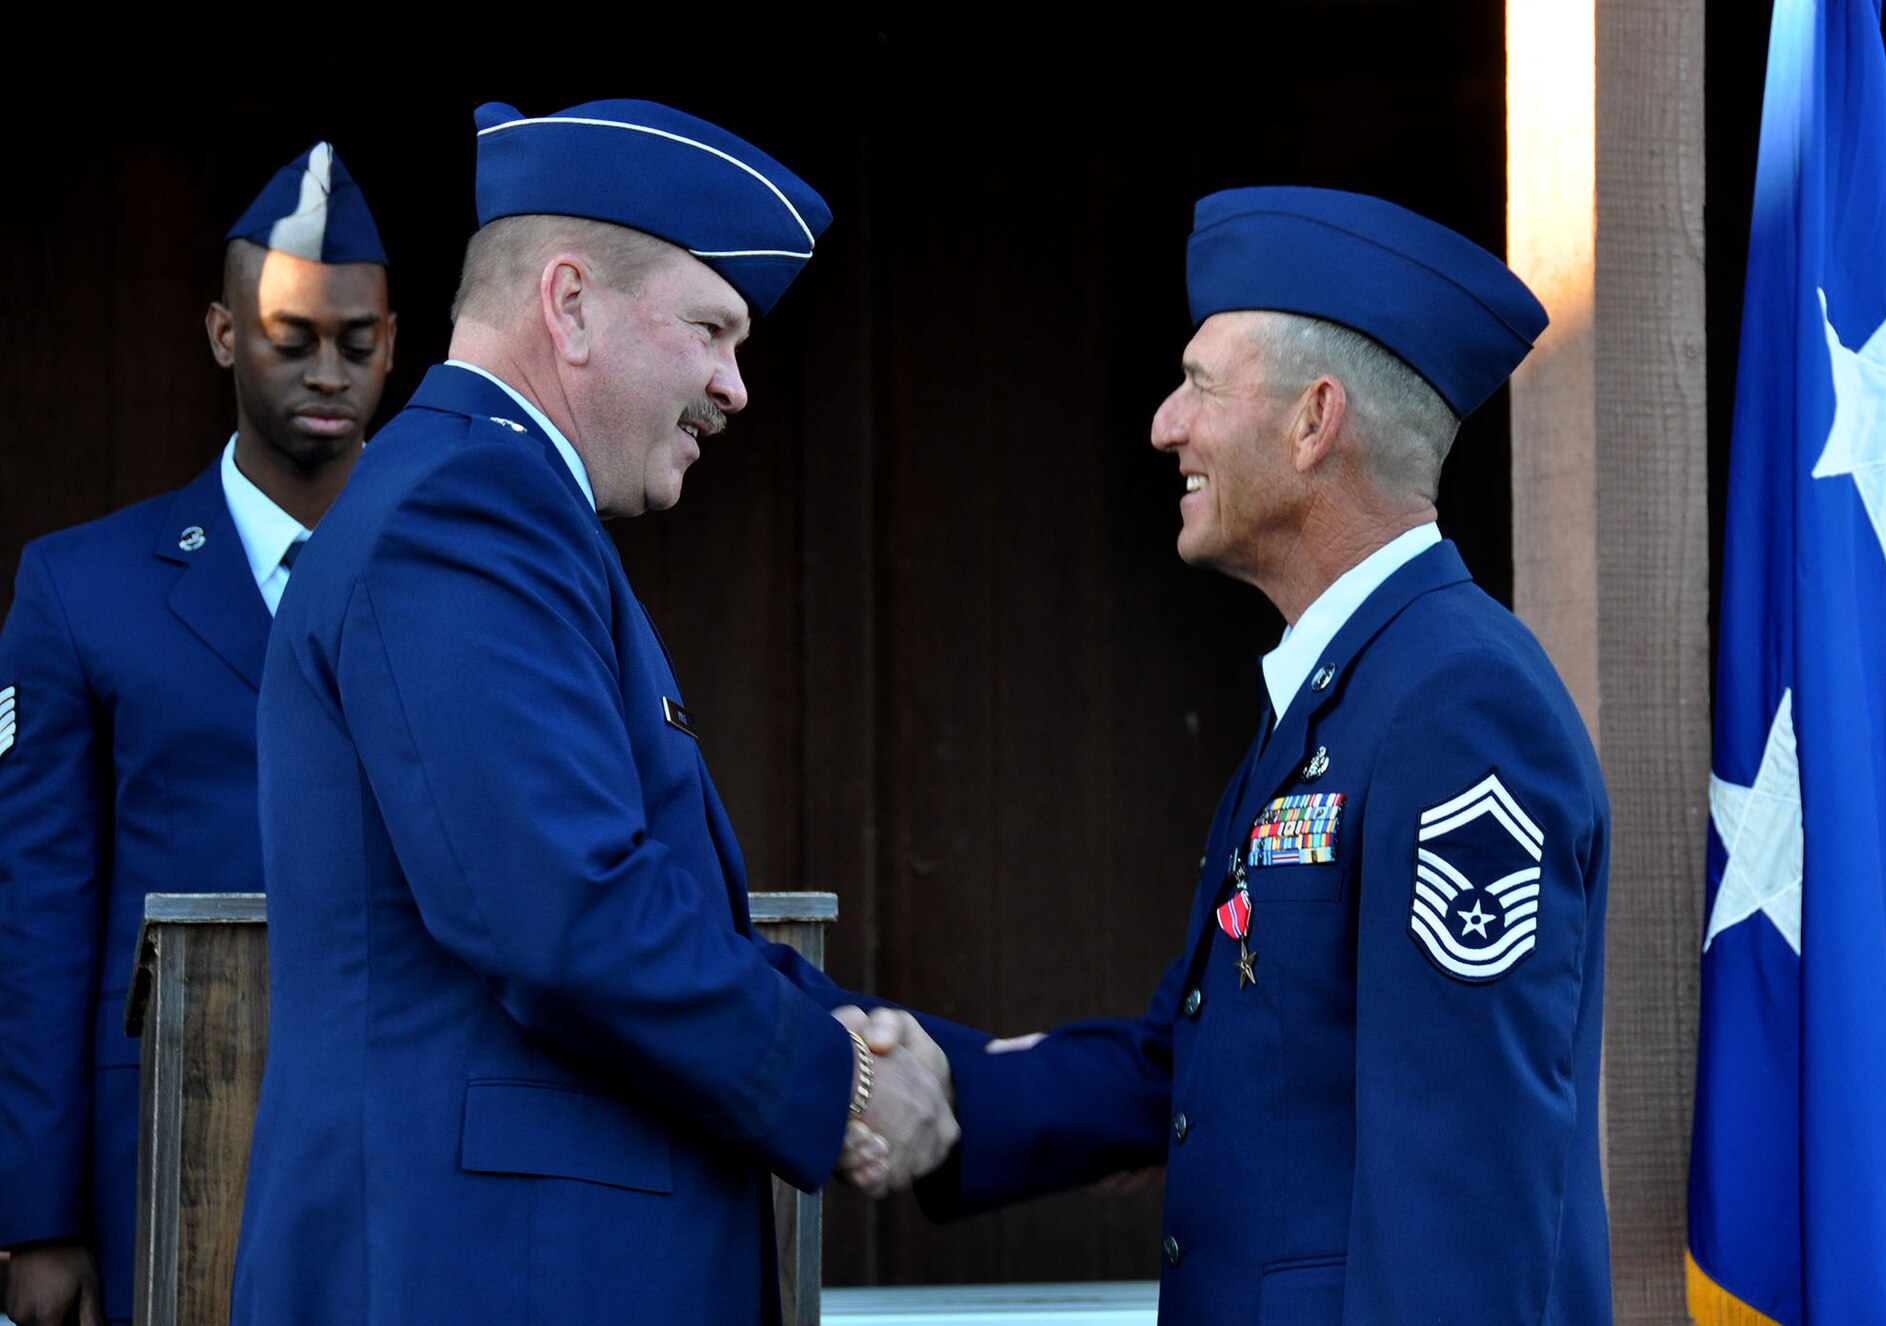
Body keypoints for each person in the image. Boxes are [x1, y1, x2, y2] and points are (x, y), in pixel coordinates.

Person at [230, 100, 956, 1325]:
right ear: (567, 304)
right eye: (711, 329)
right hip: (484, 1278)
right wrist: (838, 1078)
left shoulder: (487, 499)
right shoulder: (467, 508)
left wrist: (909, 1057)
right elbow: (565, 910)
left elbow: (618, 904)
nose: (733, 386)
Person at [889, 187, 1614, 1323]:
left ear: (1313, 421)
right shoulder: (1347, 692)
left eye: (1200, 385)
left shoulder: (1454, 704)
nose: (1164, 425)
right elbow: (1209, 1070)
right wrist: (921, 1082)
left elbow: (1463, 1186)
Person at [0, 143, 395, 1326]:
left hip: (413, 1152)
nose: (327, 370)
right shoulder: (84, 587)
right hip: (169, 1153)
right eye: (290, 337)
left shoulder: (460, 575)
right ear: (224, 335)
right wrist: (35, 1213)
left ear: (393, 342)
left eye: (358, 342)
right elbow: (38, 915)